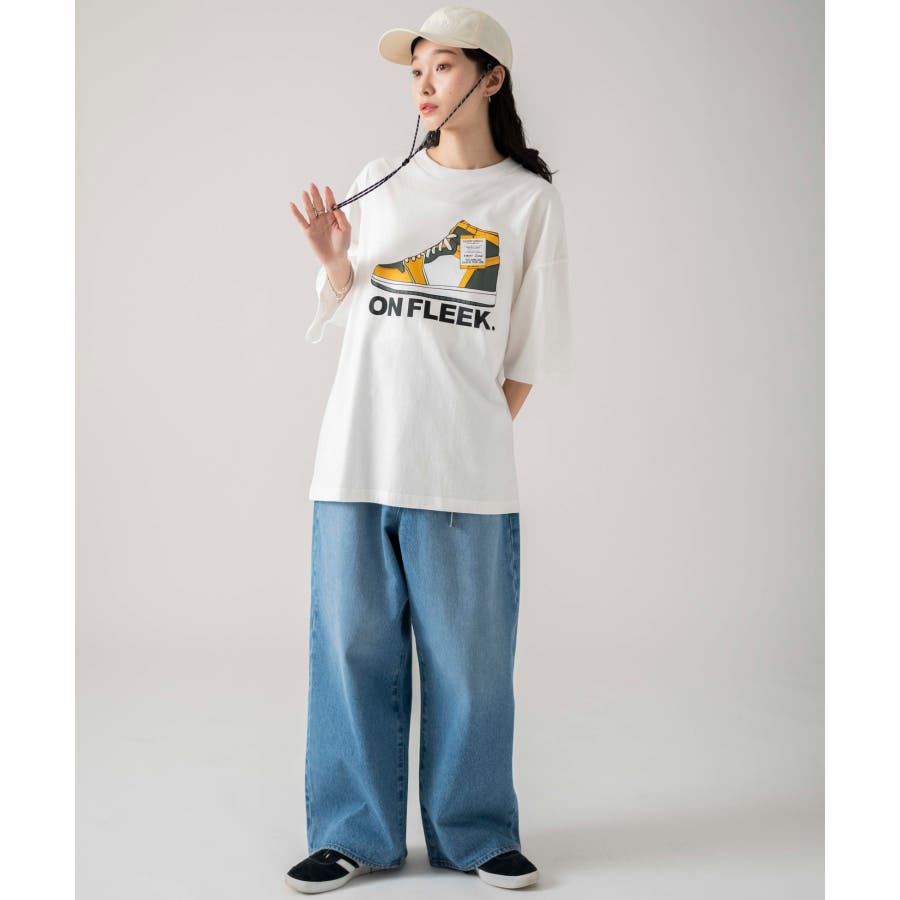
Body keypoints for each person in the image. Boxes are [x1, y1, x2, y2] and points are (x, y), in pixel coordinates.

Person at [285, 5, 573, 893]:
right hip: (355, 461)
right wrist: (335, 261)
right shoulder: (380, 181)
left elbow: (527, 355)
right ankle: (351, 834)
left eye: (442, 66)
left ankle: (477, 834)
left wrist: (466, 433)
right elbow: (352, 311)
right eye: (416, 69)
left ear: (491, 78)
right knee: (351, 655)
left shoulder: (528, 202)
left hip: (464, 478)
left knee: (471, 666)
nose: (423, 83)